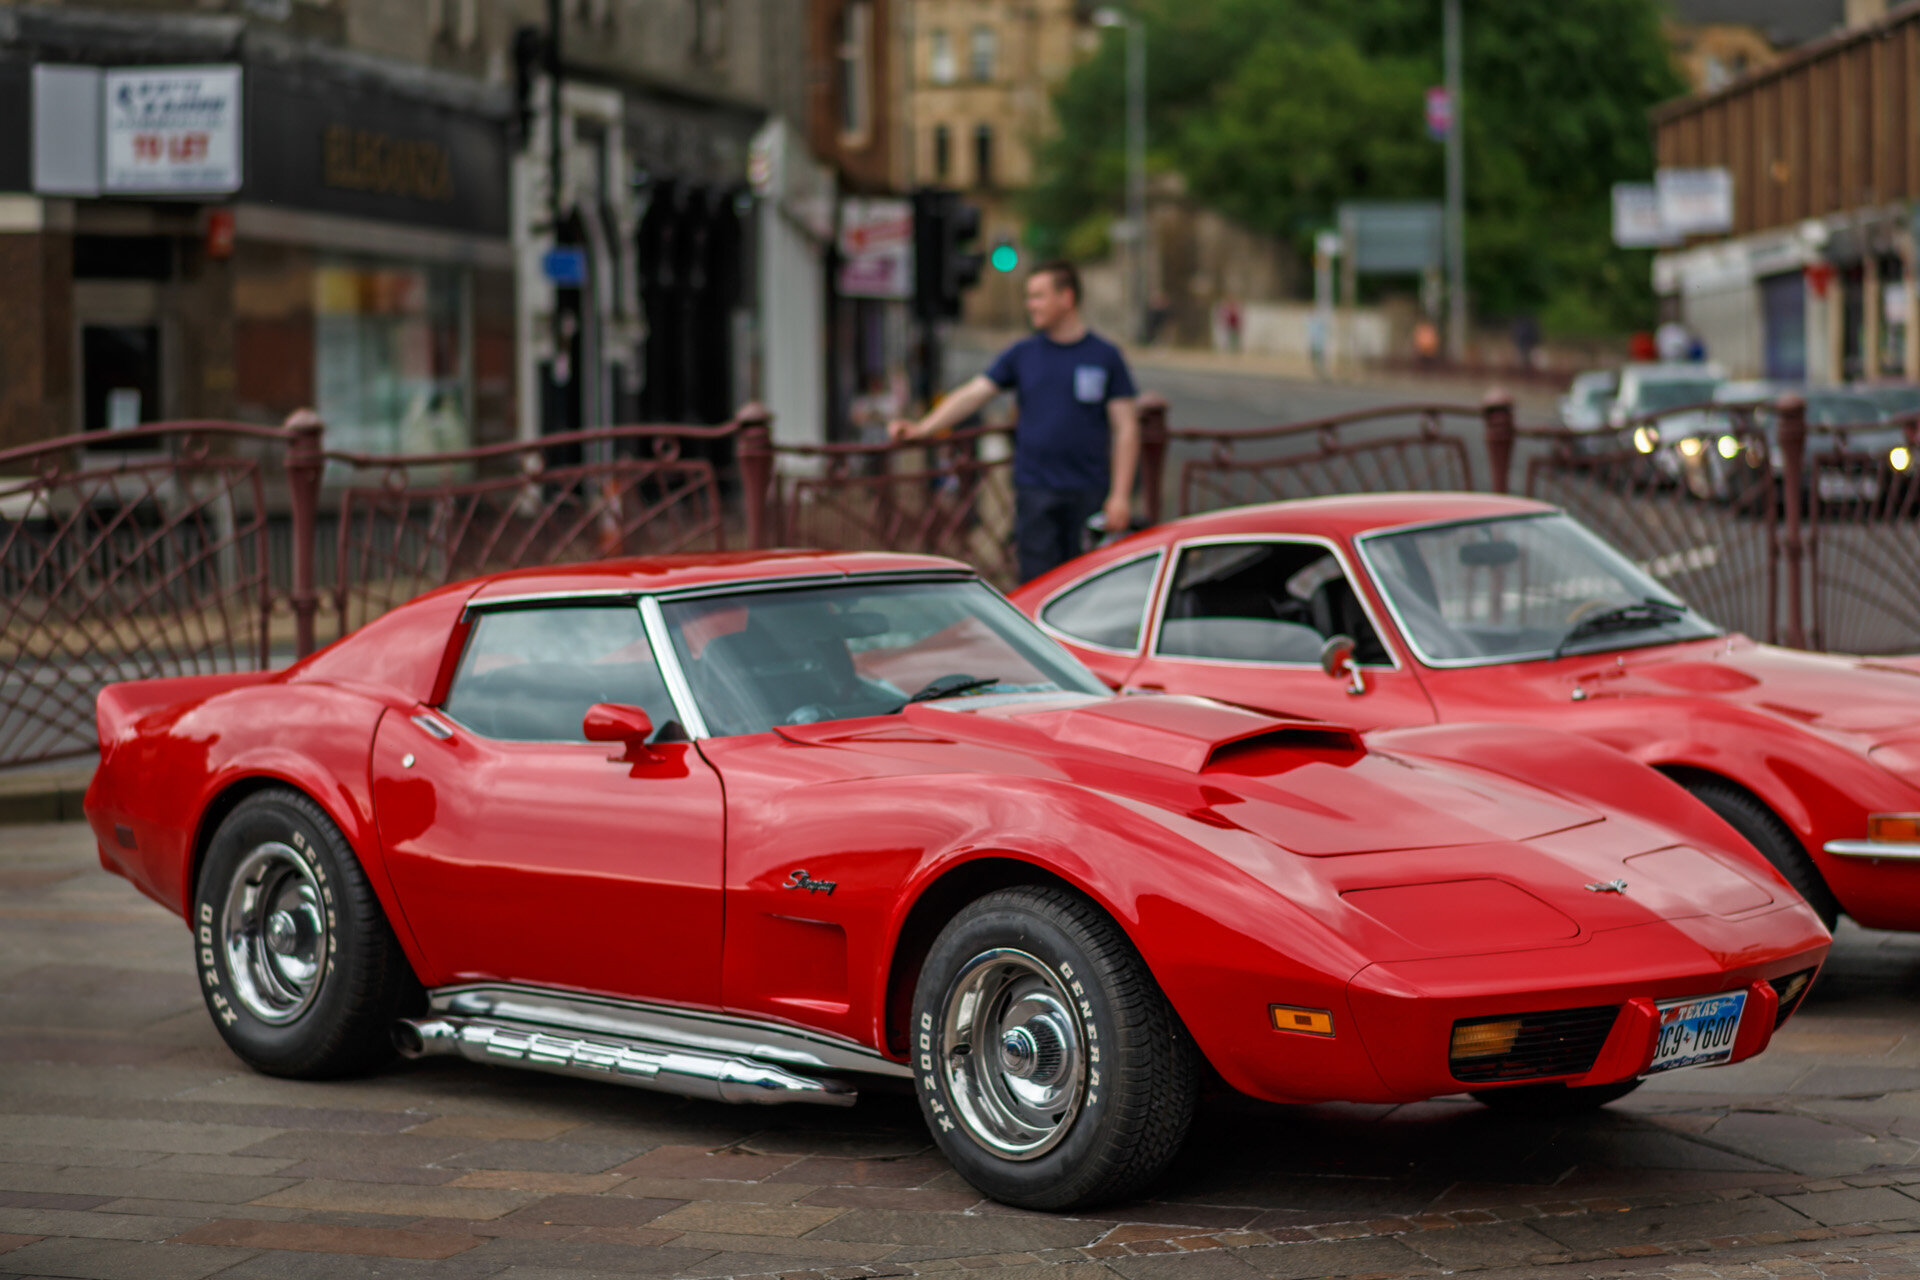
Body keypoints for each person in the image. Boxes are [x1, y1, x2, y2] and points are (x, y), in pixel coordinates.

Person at [890, 260, 1139, 584]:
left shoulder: (1105, 356)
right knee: (1038, 585)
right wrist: (923, 428)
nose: (1029, 305)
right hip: (1036, 491)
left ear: (1066, 298)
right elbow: (974, 394)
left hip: (1089, 492)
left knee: (1088, 587)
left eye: (1038, 296)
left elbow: (1126, 428)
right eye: (1028, 296)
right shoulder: (1023, 354)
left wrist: (1120, 496)